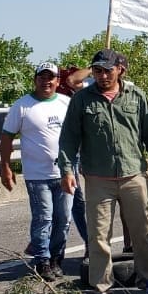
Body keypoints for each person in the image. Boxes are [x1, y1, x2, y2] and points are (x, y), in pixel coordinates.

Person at [57, 49, 148, 294]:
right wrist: (66, 170)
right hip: (98, 178)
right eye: (97, 70)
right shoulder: (82, 99)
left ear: (120, 70)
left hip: (133, 175)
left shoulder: (136, 96)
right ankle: (100, 289)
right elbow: (69, 137)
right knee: (98, 236)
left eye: (108, 70)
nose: (103, 75)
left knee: (143, 233)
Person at [0, 62, 73, 281]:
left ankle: (56, 259)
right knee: (44, 218)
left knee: (64, 219)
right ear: (35, 80)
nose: (46, 81)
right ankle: (42, 261)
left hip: (64, 173)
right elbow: (7, 138)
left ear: (58, 81)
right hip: (37, 175)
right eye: (42, 77)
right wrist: (5, 167)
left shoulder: (66, 103)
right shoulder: (22, 106)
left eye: (51, 78)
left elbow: (78, 134)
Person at [54, 63, 92, 259]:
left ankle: (89, 244)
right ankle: (50, 250)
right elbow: (72, 80)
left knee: (75, 203)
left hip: (75, 156)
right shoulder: (76, 92)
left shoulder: (91, 91)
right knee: (69, 204)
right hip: (60, 157)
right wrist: (93, 66)